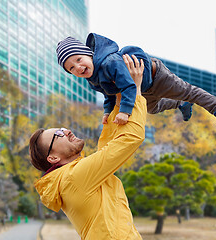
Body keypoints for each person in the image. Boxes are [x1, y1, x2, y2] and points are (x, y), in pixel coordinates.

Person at [29, 55, 146, 239]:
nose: (66, 130)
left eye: (61, 128)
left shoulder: (74, 177)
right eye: (58, 134)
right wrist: (136, 91)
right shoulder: (74, 177)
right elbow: (130, 138)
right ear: (53, 158)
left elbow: (107, 149)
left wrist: (118, 104)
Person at [56, 33, 216, 135]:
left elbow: (128, 87)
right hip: (143, 89)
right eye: (71, 68)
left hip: (156, 77)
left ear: (89, 54)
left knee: (187, 91)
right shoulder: (92, 79)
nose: (78, 67)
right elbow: (109, 94)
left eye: (79, 59)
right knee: (152, 109)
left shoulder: (110, 62)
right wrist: (107, 111)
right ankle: (181, 104)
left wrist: (125, 112)